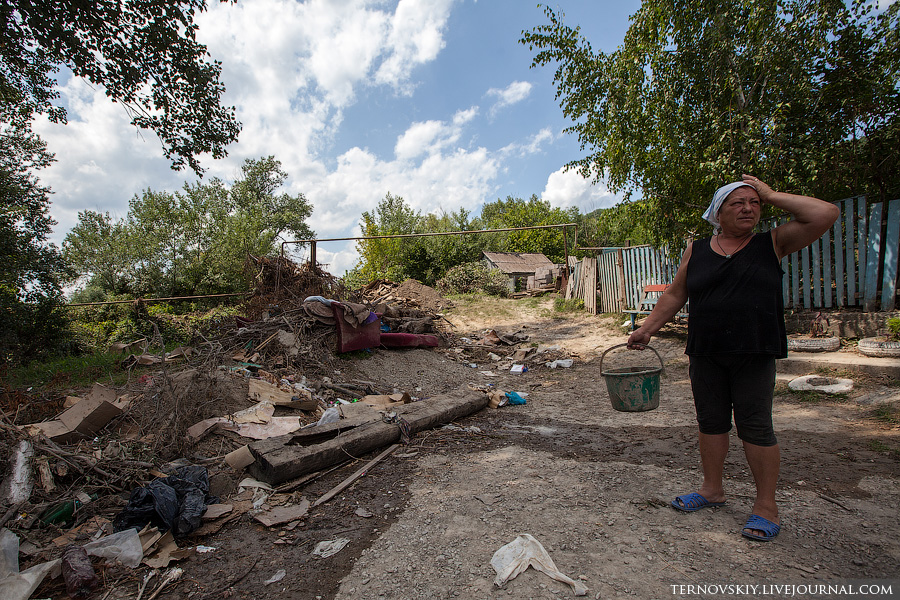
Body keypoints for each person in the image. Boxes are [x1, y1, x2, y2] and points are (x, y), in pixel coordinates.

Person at [626, 174, 839, 541]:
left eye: (754, 203)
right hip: (706, 351)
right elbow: (676, 294)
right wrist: (648, 328)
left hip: (754, 350)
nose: (748, 208)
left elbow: (826, 213)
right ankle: (712, 490)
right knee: (711, 422)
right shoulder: (697, 250)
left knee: (756, 426)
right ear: (717, 212)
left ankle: (765, 507)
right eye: (738, 203)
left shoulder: (771, 243)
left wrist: (771, 195)